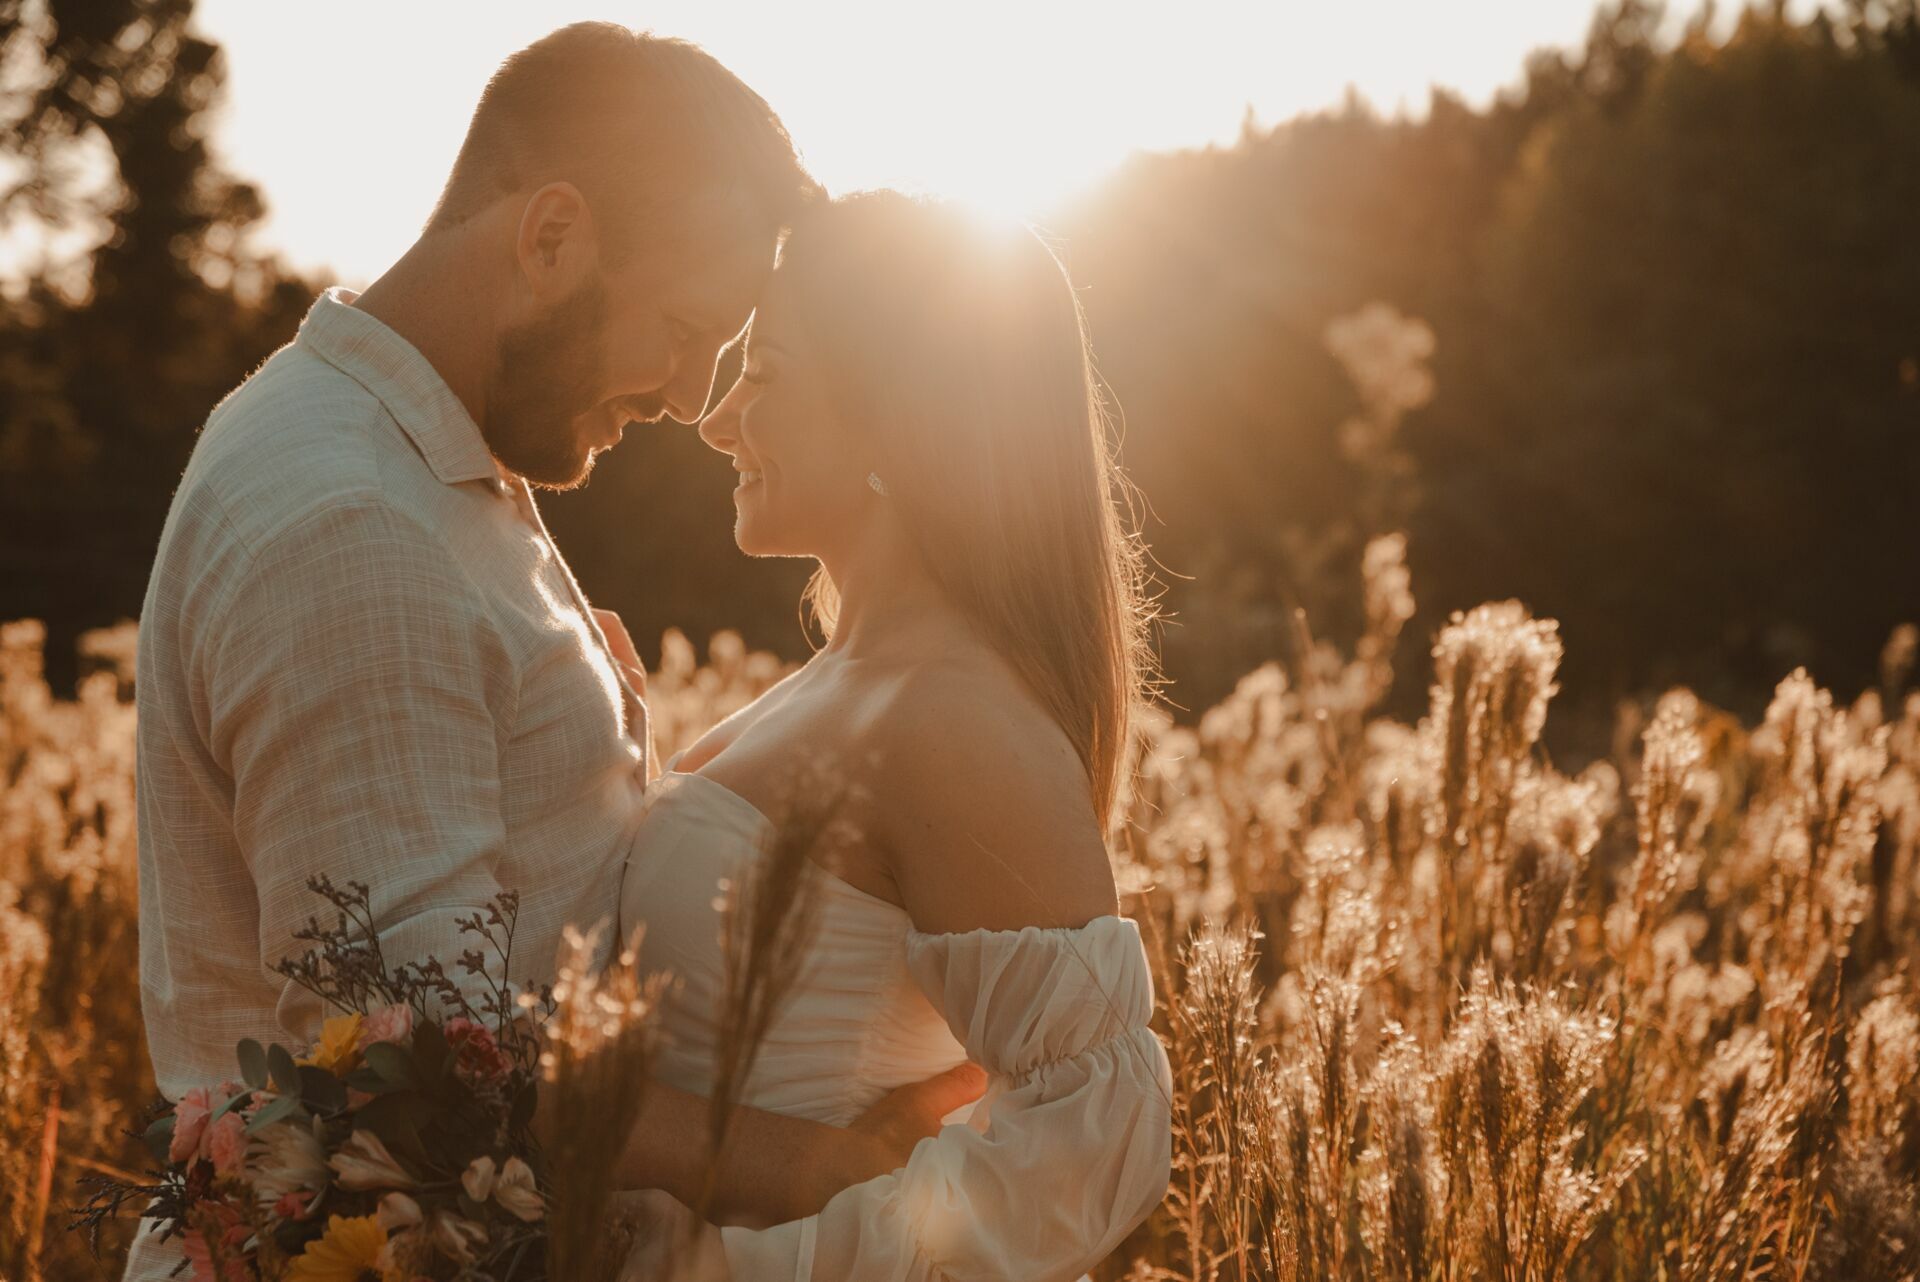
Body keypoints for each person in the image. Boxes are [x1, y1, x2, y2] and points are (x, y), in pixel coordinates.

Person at [127, 26, 978, 1282]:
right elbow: (424, 1074)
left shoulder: (427, 465)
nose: (695, 397)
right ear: (552, 236)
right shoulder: (357, 520)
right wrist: (823, 1165)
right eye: (686, 328)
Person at [617, 191, 1173, 1280]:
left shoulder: (957, 718)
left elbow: (1085, 1162)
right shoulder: (847, 677)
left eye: (763, 373)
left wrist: (720, 1268)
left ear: (894, 419)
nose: (717, 417)